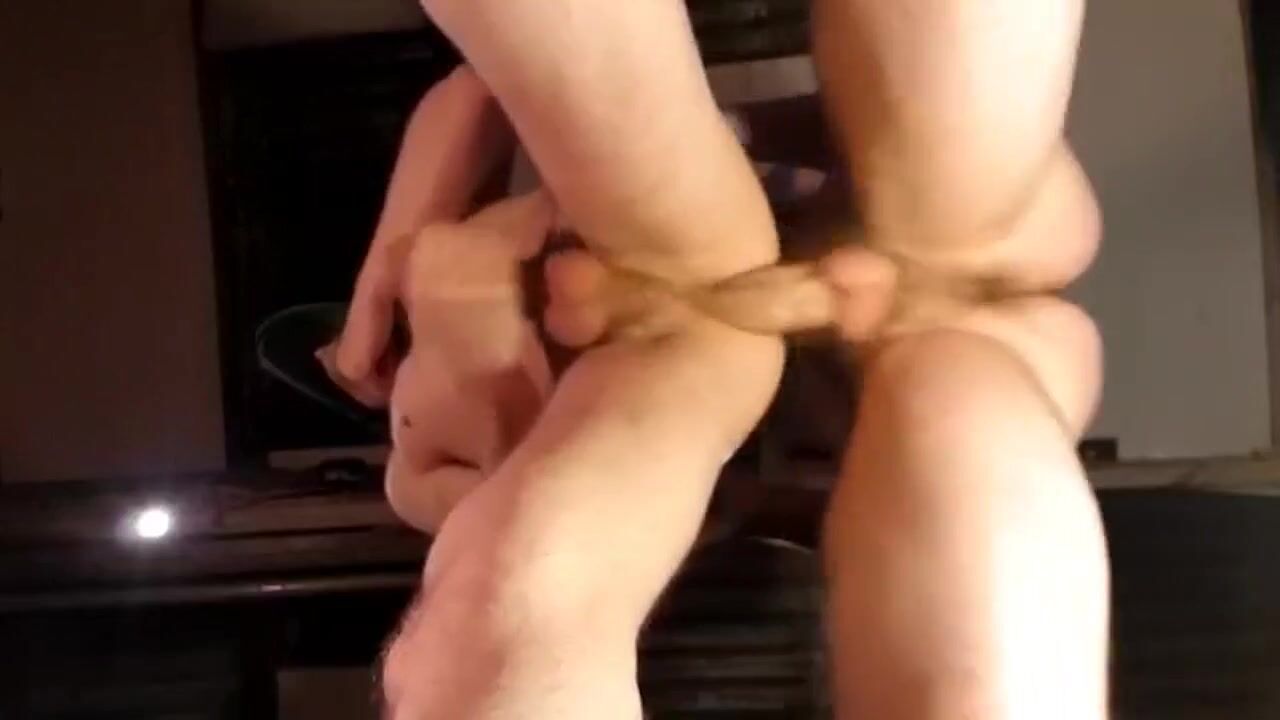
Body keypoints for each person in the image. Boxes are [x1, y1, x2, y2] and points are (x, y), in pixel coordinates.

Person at [324, 0, 1110, 717]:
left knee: (491, 627)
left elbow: (473, 92)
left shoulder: (422, 447)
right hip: (884, 325)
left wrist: (403, 247)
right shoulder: (419, 466)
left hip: (680, 278)